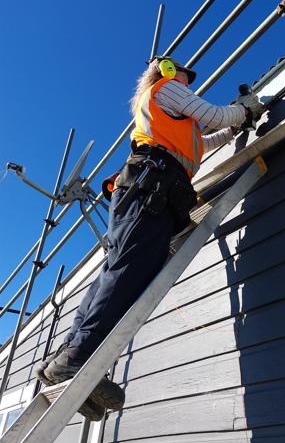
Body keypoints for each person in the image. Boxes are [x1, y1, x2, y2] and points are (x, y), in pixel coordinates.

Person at [35, 57, 265, 420]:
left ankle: (67, 357)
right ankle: (76, 358)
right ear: (171, 74)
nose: (189, 83)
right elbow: (218, 117)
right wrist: (242, 109)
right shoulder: (167, 89)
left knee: (116, 272)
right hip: (151, 188)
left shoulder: (173, 120)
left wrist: (240, 123)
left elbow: (208, 139)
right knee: (126, 274)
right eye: (187, 77)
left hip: (147, 189)